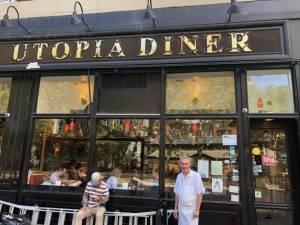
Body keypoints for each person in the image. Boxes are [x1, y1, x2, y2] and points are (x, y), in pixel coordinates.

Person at [173, 155, 205, 225]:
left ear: (190, 164)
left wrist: (197, 210)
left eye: (186, 164)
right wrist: (175, 208)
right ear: (180, 164)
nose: (184, 166)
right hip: (181, 209)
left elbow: (200, 194)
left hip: (192, 210)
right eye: (183, 164)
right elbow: (177, 193)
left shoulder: (196, 176)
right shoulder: (179, 177)